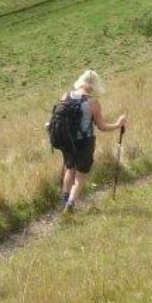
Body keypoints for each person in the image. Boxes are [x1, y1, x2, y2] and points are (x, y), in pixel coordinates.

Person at [59, 70, 126, 213]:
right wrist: (118, 124)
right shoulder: (93, 102)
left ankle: (65, 200)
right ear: (93, 85)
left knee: (69, 169)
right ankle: (70, 205)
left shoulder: (66, 96)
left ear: (80, 82)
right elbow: (102, 126)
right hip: (85, 142)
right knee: (81, 175)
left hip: (68, 140)